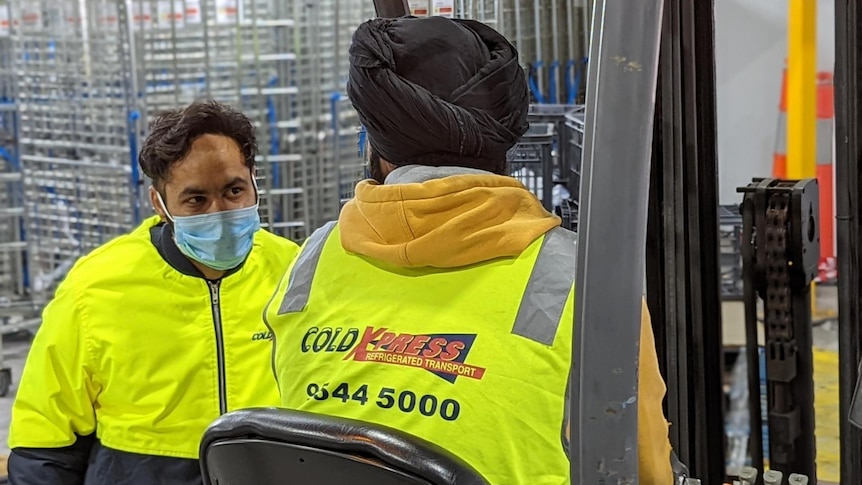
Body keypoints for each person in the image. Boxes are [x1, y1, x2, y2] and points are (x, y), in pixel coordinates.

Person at [264, 16, 673, 485]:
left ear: (377, 140)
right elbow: (643, 469)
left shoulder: (312, 259)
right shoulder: (588, 279)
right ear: (507, 134)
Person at [8, 100, 300, 485]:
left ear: (254, 182)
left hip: (265, 469)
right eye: (196, 199)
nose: (221, 212)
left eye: (234, 190)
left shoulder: (293, 272)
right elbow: (45, 439)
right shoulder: (97, 287)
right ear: (159, 204)